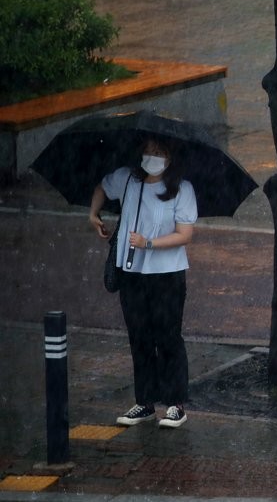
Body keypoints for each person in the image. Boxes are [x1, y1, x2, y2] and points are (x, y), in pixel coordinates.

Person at [89, 137, 197, 429]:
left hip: (167, 274)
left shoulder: (182, 189)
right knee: (139, 336)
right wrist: (93, 213)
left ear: (171, 157)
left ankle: (175, 404)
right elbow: (102, 187)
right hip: (131, 271)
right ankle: (145, 402)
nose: (153, 157)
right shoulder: (127, 179)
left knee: (168, 336)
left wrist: (149, 243)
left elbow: (184, 234)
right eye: (149, 151)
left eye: (160, 153)